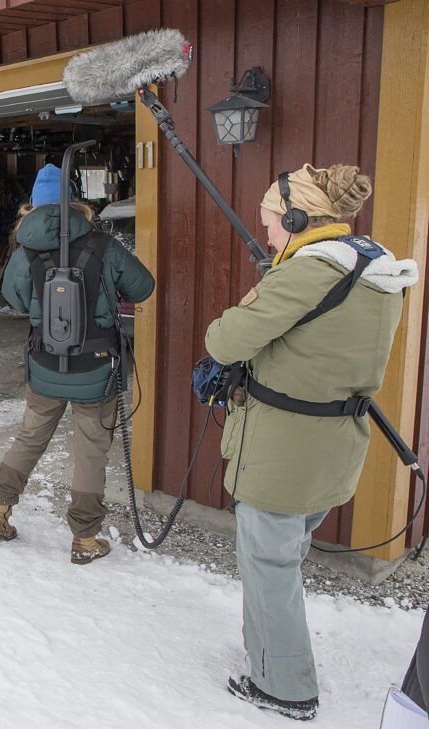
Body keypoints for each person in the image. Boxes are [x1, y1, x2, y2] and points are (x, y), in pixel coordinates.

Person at [205, 164, 419, 721]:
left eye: (272, 224)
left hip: (283, 453)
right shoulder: (373, 266)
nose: (270, 235)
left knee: (269, 566)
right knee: (283, 555)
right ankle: (268, 654)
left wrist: (263, 288)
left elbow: (224, 340)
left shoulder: (306, 274)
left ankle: (283, 687)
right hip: (330, 445)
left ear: (298, 219)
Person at [0, 163, 155, 564]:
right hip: (96, 370)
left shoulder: (26, 251)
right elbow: (143, 287)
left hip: (44, 366)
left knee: (30, 437)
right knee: (91, 451)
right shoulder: (103, 244)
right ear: (76, 201)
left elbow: (14, 296)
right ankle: (85, 539)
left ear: (34, 206)